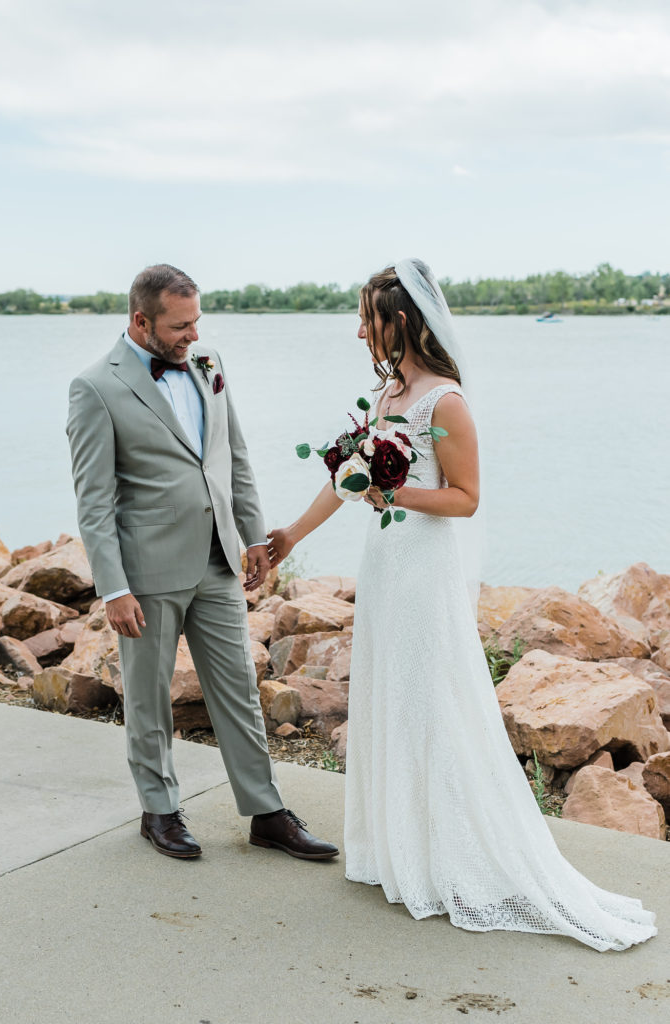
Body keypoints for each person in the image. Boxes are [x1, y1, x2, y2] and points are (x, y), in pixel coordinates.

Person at [267, 258, 657, 951]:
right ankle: (399, 846)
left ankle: (452, 853)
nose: (359, 333)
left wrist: (395, 492)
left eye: (367, 320)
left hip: (424, 567)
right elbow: (345, 475)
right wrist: (291, 535)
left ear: (401, 321)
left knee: (432, 698)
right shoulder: (386, 394)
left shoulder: (445, 402)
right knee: (390, 693)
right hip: (385, 563)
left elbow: (466, 498)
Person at [66, 263, 338, 862]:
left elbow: (233, 456)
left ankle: (267, 813)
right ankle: (159, 811)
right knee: (148, 698)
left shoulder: (209, 363)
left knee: (238, 689)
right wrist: (113, 588)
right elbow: (94, 502)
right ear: (141, 321)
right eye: (180, 326)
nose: (194, 335)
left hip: (218, 561)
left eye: (197, 322)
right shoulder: (95, 387)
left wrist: (253, 537)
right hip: (147, 572)